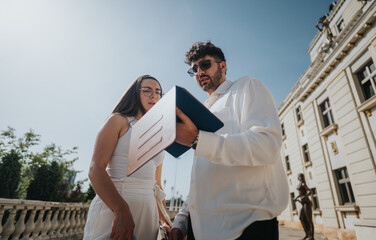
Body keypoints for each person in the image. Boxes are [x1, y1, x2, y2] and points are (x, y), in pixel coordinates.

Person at [168, 41, 289, 240]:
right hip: (204, 231)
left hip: (247, 227)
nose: (199, 72)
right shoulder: (203, 111)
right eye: (194, 70)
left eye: (205, 65)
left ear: (222, 66)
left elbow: (267, 146)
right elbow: (201, 177)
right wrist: (182, 219)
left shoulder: (246, 87)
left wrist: (197, 140)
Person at [84, 75, 171, 240]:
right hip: (114, 209)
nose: (154, 95)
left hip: (148, 216)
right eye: (147, 90)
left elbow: (157, 185)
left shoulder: (159, 134)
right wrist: (120, 210)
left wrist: (164, 219)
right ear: (135, 94)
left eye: (158, 92)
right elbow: (95, 169)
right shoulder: (118, 120)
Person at [294, 173, 314, 240]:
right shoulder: (300, 183)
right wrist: (296, 197)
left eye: (300, 176)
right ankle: (307, 234)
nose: (299, 178)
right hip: (302, 203)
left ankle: (311, 236)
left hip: (306, 203)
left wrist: (305, 196)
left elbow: (310, 191)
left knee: (309, 220)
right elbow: (300, 193)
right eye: (298, 176)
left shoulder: (303, 183)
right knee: (301, 218)